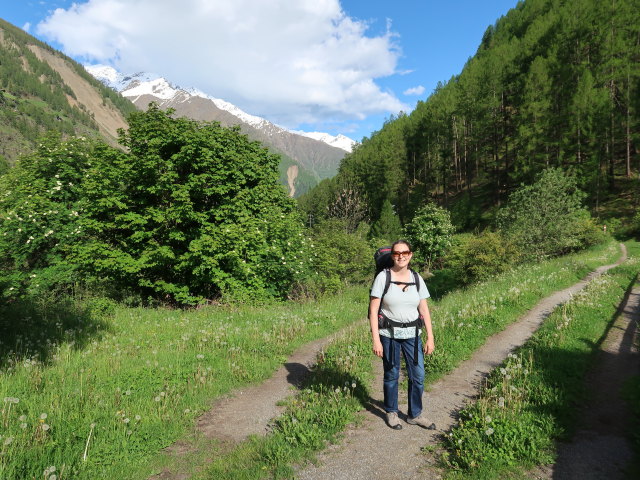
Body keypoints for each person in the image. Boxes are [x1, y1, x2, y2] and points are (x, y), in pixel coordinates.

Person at [369, 240, 436, 430]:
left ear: (410, 254)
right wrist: (376, 340)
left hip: (413, 335)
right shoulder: (383, 277)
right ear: (392, 256)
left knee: (418, 376)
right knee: (392, 374)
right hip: (388, 334)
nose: (401, 256)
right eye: (397, 253)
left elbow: (424, 309)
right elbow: (374, 311)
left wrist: (430, 337)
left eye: (405, 252)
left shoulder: (416, 278)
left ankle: (415, 415)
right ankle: (392, 411)